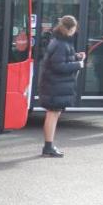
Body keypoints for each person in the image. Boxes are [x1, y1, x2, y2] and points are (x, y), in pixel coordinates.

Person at [37, 14, 84, 158]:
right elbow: (59, 66)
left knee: (53, 114)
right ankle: (48, 147)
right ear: (71, 28)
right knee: (52, 114)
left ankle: (49, 146)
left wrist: (76, 56)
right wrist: (78, 64)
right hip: (55, 85)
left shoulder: (58, 41)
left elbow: (59, 61)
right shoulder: (62, 44)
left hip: (53, 84)